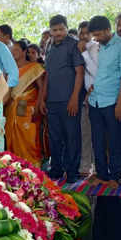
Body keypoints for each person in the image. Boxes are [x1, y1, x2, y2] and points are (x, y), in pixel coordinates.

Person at [39, 14, 85, 183]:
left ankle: (72, 172)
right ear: (50, 31)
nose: (58, 33)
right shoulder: (49, 46)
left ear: (66, 28)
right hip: (52, 101)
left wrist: (74, 98)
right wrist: (43, 98)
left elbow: (79, 72)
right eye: (54, 30)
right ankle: (56, 169)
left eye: (61, 29)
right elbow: (48, 75)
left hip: (69, 100)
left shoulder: (73, 45)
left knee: (72, 136)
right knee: (55, 137)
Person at [87, 16, 121, 187]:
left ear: (109, 30)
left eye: (99, 34)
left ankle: (116, 176)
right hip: (95, 101)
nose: (97, 38)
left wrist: (120, 104)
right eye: (94, 36)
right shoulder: (97, 47)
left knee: (115, 140)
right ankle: (102, 174)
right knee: (97, 139)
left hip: (112, 102)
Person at [5, 40, 45, 166]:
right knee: (12, 137)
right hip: (11, 108)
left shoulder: (34, 67)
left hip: (28, 108)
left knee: (29, 137)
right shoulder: (9, 70)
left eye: (16, 50)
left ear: (24, 52)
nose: (13, 53)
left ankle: (33, 166)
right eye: (11, 51)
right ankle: (16, 166)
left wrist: (39, 105)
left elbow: (42, 88)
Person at [77, 21, 99, 176]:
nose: (84, 36)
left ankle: (99, 169)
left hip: (98, 97)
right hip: (83, 98)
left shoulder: (95, 48)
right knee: (84, 133)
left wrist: (84, 53)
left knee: (97, 135)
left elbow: (95, 72)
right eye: (81, 33)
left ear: (92, 34)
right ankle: (85, 167)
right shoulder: (77, 47)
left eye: (87, 33)